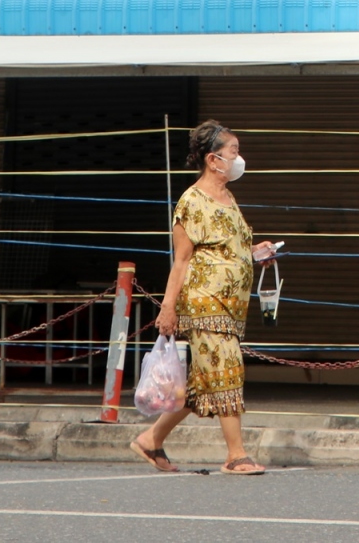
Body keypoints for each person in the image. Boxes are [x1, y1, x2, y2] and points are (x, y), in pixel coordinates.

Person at [130, 119, 277, 475]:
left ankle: (150, 440)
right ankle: (236, 454)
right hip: (205, 302)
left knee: (202, 384)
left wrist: (256, 251)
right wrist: (167, 309)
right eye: (233, 152)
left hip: (231, 305)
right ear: (213, 160)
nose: (238, 159)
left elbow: (230, 249)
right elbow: (181, 261)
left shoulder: (228, 199)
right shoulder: (191, 201)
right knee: (227, 369)